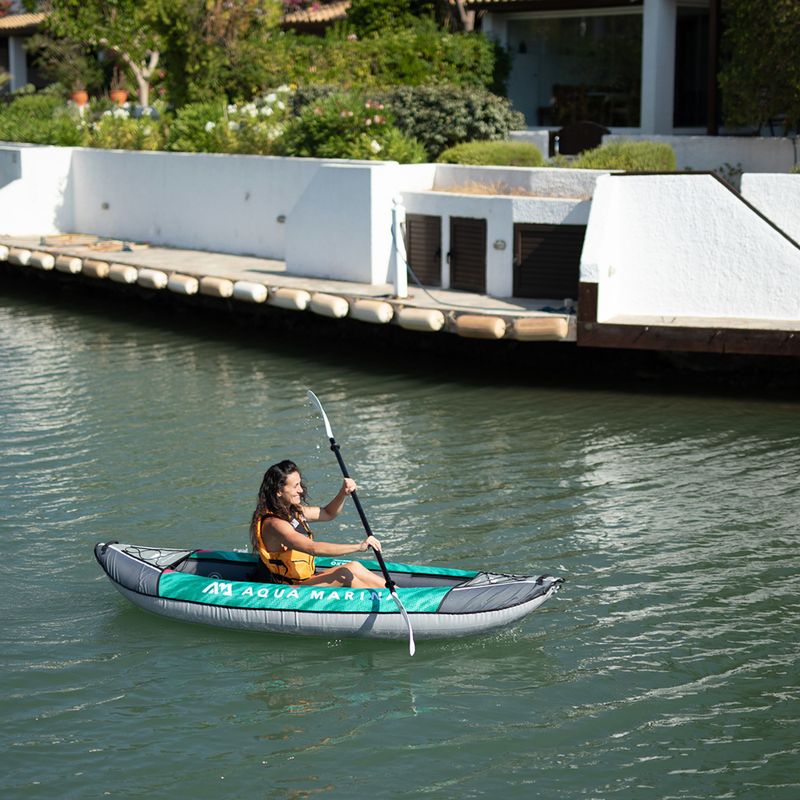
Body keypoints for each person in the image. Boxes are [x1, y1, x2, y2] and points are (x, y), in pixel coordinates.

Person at [250, 459, 385, 588]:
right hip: (289, 588)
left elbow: (328, 513)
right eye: (295, 486)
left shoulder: (294, 511)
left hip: (304, 579)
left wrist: (343, 493)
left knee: (354, 566)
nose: (301, 490)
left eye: (300, 484)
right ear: (279, 491)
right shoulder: (274, 524)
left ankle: (400, 593)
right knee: (343, 574)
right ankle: (389, 606)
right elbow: (312, 548)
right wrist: (359, 547)